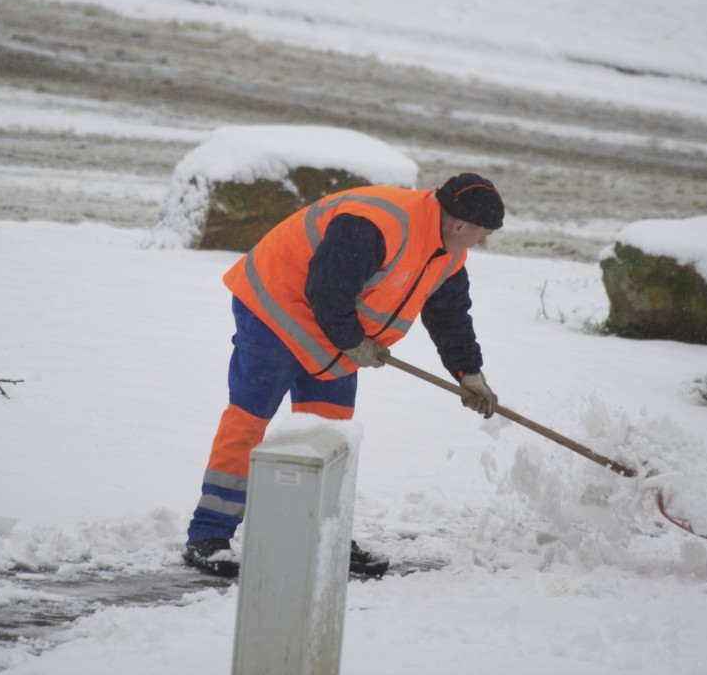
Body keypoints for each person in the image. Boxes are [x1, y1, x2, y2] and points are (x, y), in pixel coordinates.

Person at [183, 172, 505, 578]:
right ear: (459, 223)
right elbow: (327, 287)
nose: (483, 242)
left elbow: (449, 315)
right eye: (483, 233)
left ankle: (322, 534)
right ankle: (208, 536)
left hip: (334, 330)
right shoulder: (377, 224)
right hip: (276, 309)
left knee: (329, 435)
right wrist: (353, 340)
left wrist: (468, 372)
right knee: (250, 418)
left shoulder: (449, 252)